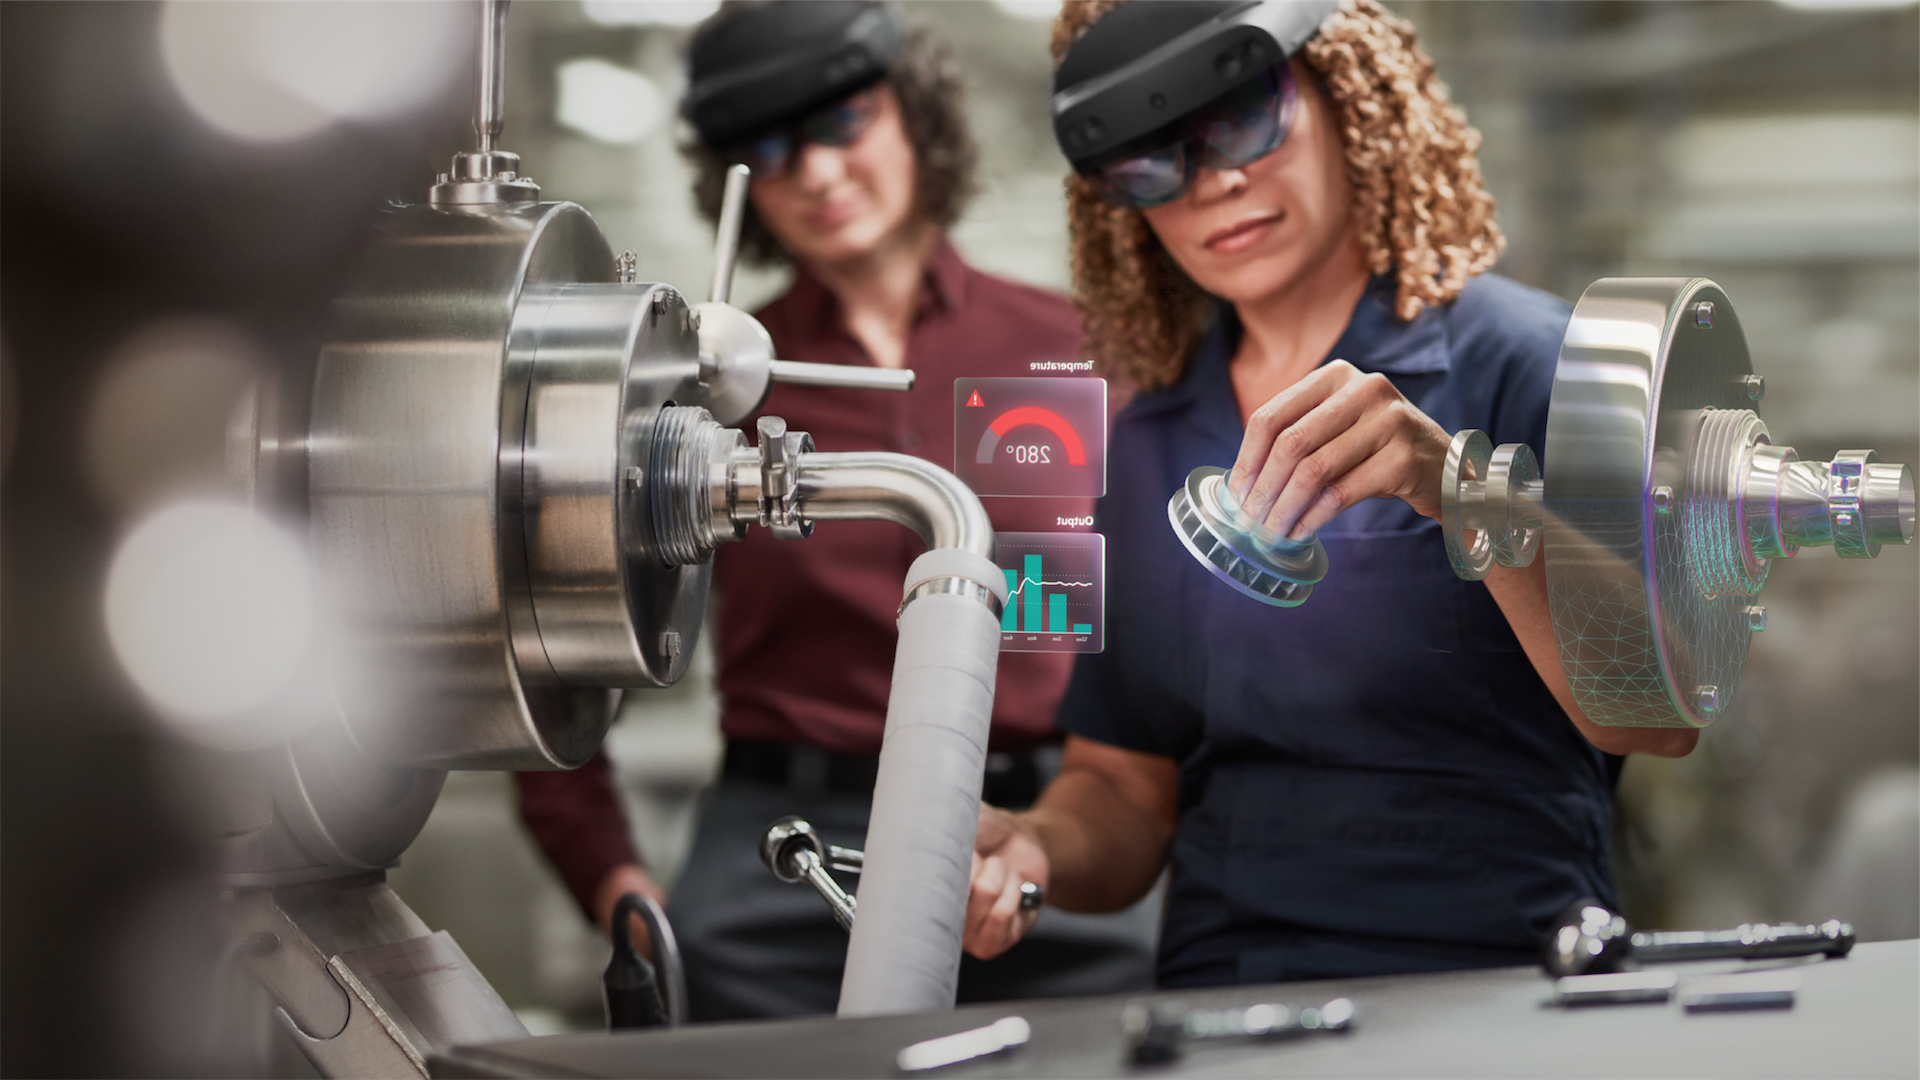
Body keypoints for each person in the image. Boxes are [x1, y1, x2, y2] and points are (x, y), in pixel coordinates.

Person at [962, 0, 1698, 988]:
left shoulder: (1539, 363)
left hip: (1504, 974)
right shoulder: (1145, 440)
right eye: (1152, 158)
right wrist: (1037, 850)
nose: (1216, 181)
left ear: (1346, 98)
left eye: (1239, 118)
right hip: (1227, 993)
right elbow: (1125, 791)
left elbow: (1658, 718)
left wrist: (1463, 492)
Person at [516, 0, 1156, 1020]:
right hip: (787, 857)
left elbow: (1162, 652)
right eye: (765, 150)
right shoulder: (688, 392)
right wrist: (624, 895)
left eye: (839, 123)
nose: (813, 173)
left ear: (916, 115)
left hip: (1043, 840)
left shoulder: (1078, 349)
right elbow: (553, 659)